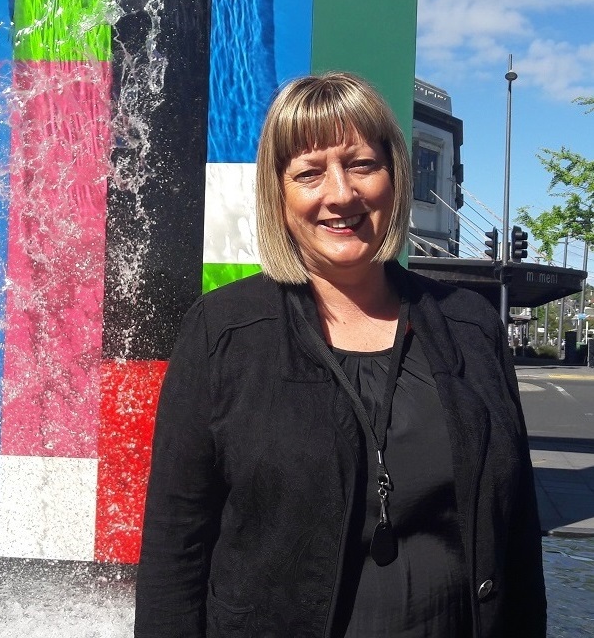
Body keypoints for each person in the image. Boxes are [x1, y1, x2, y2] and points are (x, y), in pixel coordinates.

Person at [134, 72, 546, 637]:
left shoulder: (471, 325)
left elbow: (517, 530)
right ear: (279, 196)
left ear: (393, 176)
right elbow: (175, 546)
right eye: (309, 173)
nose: (340, 194)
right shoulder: (224, 331)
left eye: (361, 164)